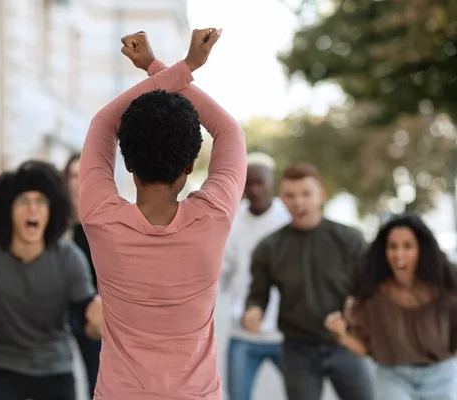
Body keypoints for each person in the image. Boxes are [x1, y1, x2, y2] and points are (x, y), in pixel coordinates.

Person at [78, 29, 246, 400]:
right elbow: (229, 130)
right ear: (189, 167)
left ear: (128, 164)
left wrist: (180, 67)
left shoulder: (100, 219)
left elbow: (104, 121)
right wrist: (169, 66)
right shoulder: (213, 217)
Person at [0, 160, 102, 400]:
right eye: (23, 202)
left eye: (41, 202)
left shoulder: (69, 258)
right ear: (7, 210)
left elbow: (88, 325)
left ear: (52, 211)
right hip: (4, 365)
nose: (33, 210)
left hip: (54, 365)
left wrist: (97, 323)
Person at [242, 163, 374, 400]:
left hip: (345, 344)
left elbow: (369, 288)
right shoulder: (269, 247)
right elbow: (258, 293)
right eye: (290, 195)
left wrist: (356, 315)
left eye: (306, 194)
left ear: (321, 195)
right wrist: (254, 310)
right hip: (298, 350)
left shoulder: (350, 240)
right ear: (281, 198)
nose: (298, 202)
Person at [324, 213, 457, 400]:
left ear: (422, 250)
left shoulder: (446, 289)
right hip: (393, 376)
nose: (398, 254)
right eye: (392, 246)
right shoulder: (373, 295)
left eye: (407, 246)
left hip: (440, 375)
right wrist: (341, 334)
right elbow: (366, 349)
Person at [220, 152, 291, 400]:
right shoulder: (232, 220)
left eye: (260, 182)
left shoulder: (288, 218)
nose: (255, 189)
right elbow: (221, 272)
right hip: (243, 333)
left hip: (286, 334)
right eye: (248, 183)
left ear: (272, 183)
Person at [63, 152, 102, 398]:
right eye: (73, 175)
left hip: (95, 313)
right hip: (58, 311)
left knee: (96, 381)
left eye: (84, 175)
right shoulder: (55, 222)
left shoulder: (104, 220)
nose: (79, 181)